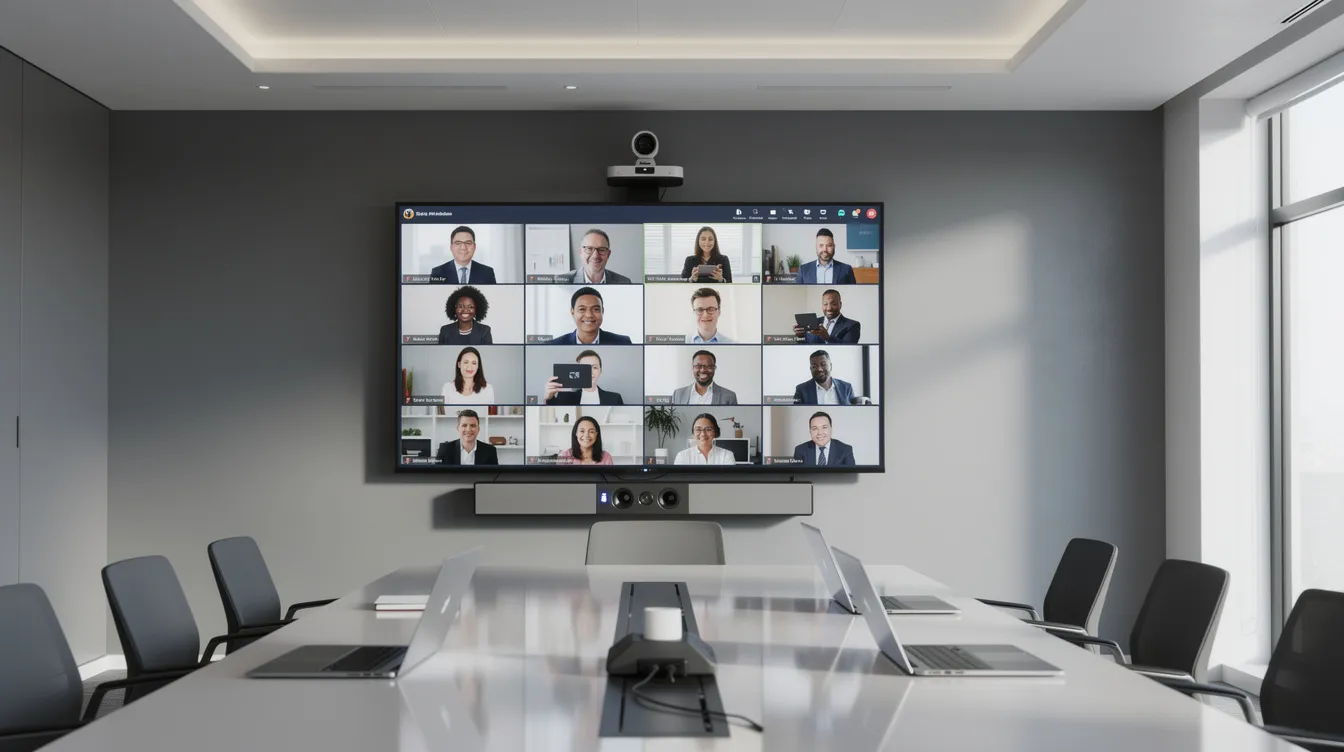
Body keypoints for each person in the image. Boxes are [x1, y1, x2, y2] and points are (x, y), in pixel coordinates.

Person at [550, 287, 633, 345]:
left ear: (602, 311)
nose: (589, 315)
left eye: (595, 309)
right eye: (582, 309)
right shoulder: (554, 344)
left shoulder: (622, 342)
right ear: (572, 312)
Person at [544, 349, 625, 405]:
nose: (590, 372)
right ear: (578, 371)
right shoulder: (565, 397)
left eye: (595, 367)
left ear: (600, 371)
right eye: (585, 368)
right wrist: (549, 398)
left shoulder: (615, 398)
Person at [557, 229, 633, 284]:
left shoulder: (625, 282)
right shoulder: (560, 282)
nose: (595, 256)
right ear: (581, 252)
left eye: (601, 249)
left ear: (608, 254)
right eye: (589, 249)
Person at [430, 226, 498, 284]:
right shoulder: (438, 273)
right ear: (451, 247)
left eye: (468, 243)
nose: (463, 247)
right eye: (458, 243)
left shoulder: (487, 273)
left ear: (474, 247)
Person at [792, 288, 860, 344]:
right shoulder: (812, 322)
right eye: (825, 304)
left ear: (840, 305)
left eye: (834, 304)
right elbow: (804, 345)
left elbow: (849, 347)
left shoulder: (852, 325)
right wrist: (799, 336)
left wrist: (828, 338)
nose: (829, 308)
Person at [671, 350, 738, 405]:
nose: (703, 370)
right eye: (698, 366)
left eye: (708, 366)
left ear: (714, 368)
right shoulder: (678, 394)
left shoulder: (729, 396)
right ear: (693, 368)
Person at [435, 409, 500, 466]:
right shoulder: (445, 449)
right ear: (458, 428)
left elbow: (494, 475)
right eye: (464, 425)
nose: (468, 429)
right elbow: (437, 474)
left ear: (478, 429)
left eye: (473, 426)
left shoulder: (490, 451)